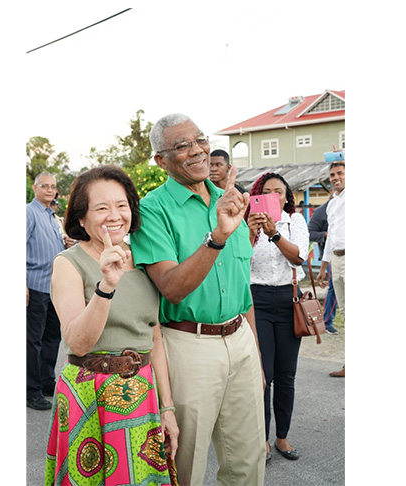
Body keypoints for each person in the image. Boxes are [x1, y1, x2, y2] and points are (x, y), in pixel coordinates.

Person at [130, 113, 266, 485]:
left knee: (248, 460)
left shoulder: (231, 200)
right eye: (182, 145)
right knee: (184, 462)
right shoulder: (151, 210)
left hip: (240, 341)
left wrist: (253, 350)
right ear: (160, 160)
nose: (197, 150)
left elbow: (243, 286)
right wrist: (217, 237)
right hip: (188, 344)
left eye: (200, 139)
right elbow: (172, 287)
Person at [45, 166, 179, 486]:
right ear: (81, 218)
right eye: (101, 208)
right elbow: (77, 342)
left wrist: (168, 407)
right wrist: (106, 286)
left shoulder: (145, 259)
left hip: (141, 394)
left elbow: (154, 336)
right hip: (87, 395)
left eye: (122, 205)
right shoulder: (68, 263)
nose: (114, 215)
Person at [245, 172, 310, 463]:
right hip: (256, 300)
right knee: (263, 376)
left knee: (286, 375)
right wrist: (250, 232)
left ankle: (282, 437)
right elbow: (238, 260)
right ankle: (263, 440)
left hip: (287, 300)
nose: (274, 196)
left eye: (279, 192)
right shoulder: (247, 224)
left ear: (286, 197)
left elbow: (298, 257)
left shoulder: (294, 221)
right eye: (267, 191)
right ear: (258, 195)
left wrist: (274, 234)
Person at [27, 172, 66, 410]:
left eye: (53, 187)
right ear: (35, 188)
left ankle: (46, 382)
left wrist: (65, 244)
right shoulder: (28, 213)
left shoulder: (52, 216)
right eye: (45, 186)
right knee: (33, 340)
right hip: (35, 285)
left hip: (54, 287)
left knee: (53, 337)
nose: (50, 190)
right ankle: (31, 390)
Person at [316, 161, 346, 378]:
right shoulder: (333, 203)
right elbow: (331, 236)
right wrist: (323, 267)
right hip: (336, 258)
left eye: (341, 173)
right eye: (333, 174)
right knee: (345, 312)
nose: (336, 177)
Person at [308, 200, 339, 334]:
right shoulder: (321, 212)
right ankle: (327, 320)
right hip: (332, 255)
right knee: (334, 288)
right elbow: (310, 233)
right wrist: (326, 235)